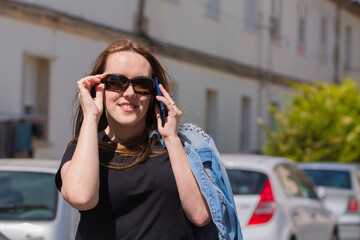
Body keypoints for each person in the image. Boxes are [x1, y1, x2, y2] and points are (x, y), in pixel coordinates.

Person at [55, 39, 242, 240]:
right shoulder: (82, 149)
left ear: (154, 93)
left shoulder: (179, 147)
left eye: (142, 84)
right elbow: (81, 198)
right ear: (98, 87)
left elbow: (201, 215)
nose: (129, 93)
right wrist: (91, 116)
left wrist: (171, 138)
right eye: (116, 82)